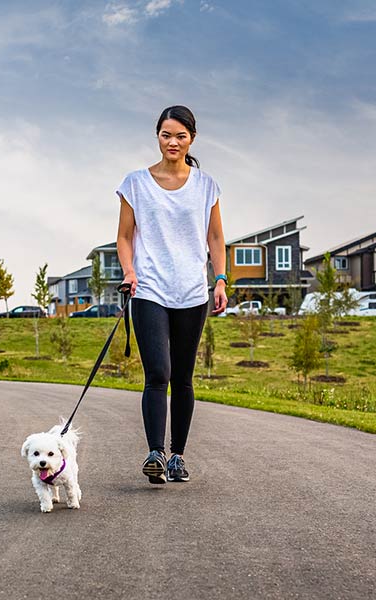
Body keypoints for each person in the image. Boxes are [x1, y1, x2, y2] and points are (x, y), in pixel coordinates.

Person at [115, 105, 228, 484]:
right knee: (157, 373)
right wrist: (129, 272)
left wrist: (221, 279)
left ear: (191, 138)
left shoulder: (206, 185)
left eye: (180, 136)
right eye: (166, 135)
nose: (173, 142)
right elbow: (125, 236)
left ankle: (178, 455)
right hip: (149, 289)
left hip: (192, 292)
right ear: (157, 137)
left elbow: (215, 237)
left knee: (182, 377)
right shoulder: (135, 183)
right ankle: (155, 454)